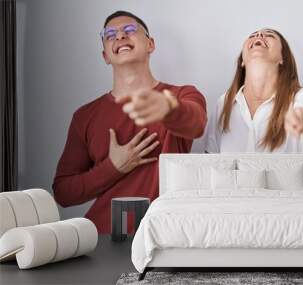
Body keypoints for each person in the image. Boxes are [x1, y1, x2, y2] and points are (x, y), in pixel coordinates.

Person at [53, 11, 207, 233]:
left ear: (150, 44)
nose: (120, 37)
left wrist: (167, 108)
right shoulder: (84, 116)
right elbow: (63, 193)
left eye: (130, 30)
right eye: (110, 34)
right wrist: (113, 167)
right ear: (105, 55)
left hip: (165, 237)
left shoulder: (183, 95)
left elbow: (197, 124)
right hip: (103, 239)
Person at [205, 28, 303, 153]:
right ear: (242, 61)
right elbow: (209, 161)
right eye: (252, 35)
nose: (258, 36)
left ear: (282, 58)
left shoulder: (300, 97)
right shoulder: (224, 103)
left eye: (269, 35)